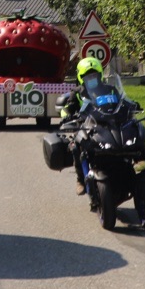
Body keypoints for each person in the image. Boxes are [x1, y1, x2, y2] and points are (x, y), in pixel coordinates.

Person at [61, 56, 106, 195]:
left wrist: (130, 105)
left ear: (100, 74)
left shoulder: (108, 88)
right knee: (76, 148)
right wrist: (67, 115)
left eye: (94, 74)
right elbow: (68, 108)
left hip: (106, 124)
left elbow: (120, 99)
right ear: (80, 76)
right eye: (87, 75)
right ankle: (81, 179)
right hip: (85, 127)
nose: (91, 78)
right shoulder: (77, 93)